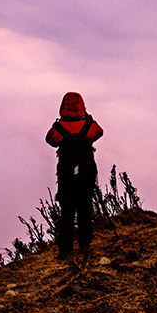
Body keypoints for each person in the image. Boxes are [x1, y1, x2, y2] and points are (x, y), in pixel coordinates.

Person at [45, 91, 103, 260]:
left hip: (66, 174)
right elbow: (99, 132)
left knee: (67, 210)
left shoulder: (59, 128)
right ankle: (85, 245)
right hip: (86, 172)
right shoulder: (88, 125)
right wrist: (89, 120)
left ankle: (65, 249)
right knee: (85, 207)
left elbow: (50, 140)